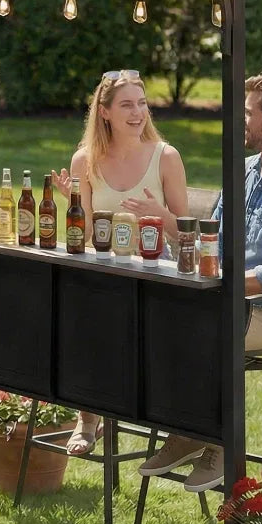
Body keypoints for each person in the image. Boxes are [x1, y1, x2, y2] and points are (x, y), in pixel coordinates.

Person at [138, 72, 262, 491]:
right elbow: (216, 244)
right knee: (154, 319)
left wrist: (218, 284)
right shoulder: (243, 172)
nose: (239, 120)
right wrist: (169, 228)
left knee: (200, 329)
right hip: (228, 301)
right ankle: (188, 431)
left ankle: (216, 443)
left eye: (248, 113)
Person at [50, 70, 190, 455]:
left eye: (142, 103)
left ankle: (113, 411)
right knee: (74, 308)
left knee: (99, 317)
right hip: (106, 271)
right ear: (105, 112)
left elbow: (188, 234)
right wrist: (74, 204)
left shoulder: (166, 157)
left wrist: (157, 213)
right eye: (127, 104)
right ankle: (88, 418)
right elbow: (89, 236)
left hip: (156, 275)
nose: (138, 112)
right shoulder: (85, 161)